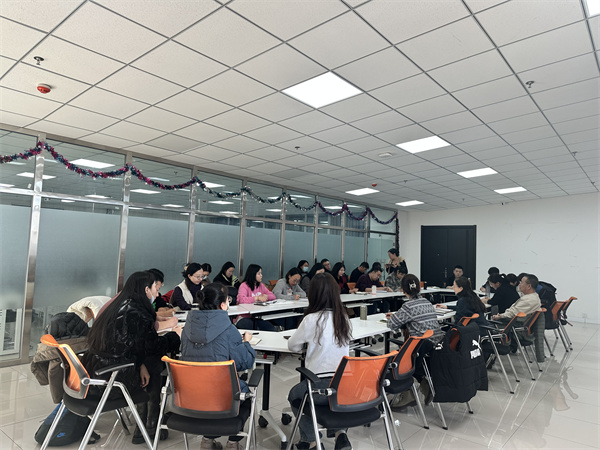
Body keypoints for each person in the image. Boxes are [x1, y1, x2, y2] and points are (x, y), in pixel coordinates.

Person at [82, 271, 182, 443]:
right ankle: (151, 424)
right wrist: (175, 336)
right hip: (112, 379)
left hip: (95, 371)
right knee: (155, 361)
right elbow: (153, 346)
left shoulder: (119, 305)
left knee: (149, 362)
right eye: (155, 288)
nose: (157, 293)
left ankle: (143, 424)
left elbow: (129, 345)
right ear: (146, 289)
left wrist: (139, 363)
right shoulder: (137, 313)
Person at [180, 284, 255, 450]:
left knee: (209, 389)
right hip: (222, 399)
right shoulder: (229, 330)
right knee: (244, 395)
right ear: (222, 305)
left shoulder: (186, 329)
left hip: (191, 396)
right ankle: (233, 443)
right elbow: (245, 362)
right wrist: (246, 343)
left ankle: (207, 441)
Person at [287, 273, 353, 450]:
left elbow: (292, 346)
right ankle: (341, 435)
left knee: (295, 395)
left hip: (319, 388)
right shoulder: (344, 318)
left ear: (313, 294)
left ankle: (312, 440)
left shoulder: (311, 319)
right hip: (344, 386)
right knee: (332, 399)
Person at [385, 274, 444, 407]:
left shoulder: (408, 306)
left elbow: (391, 325)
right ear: (419, 288)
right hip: (436, 346)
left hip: (421, 348)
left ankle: (408, 393)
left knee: (403, 355)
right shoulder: (427, 302)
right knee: (409, 352)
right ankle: (424, 384)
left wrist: (396, 316)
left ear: (403, 290)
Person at [236, 264, 276, 331]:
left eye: (261, 273)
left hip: (257, 316)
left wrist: (266, 296)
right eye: (259, 274)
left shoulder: (261, 285)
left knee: (271, 329)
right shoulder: (244, 285)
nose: (261, 275)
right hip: (244, 317)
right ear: (253, 274)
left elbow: (273, 296)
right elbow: (241, 300)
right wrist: (256, 298)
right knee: (252, 328)